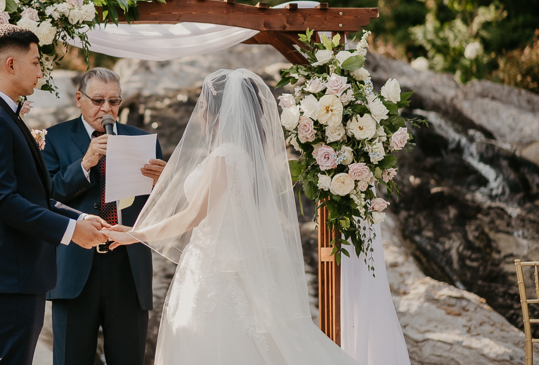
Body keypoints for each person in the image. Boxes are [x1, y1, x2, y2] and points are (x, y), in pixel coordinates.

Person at [104, 69, 361, 365]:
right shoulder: (240, 155)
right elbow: (219, 202)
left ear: (217, 113)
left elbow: (191, 217)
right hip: (224, 265)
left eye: (203, 107)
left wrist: (134, 234)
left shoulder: (224, 156)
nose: (199, 113)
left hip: (214, 272)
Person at [0, 25, 109, 365]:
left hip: (19, 273)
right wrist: (71, 232)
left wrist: (80, 218)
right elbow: (3, 201)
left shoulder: (0, 114)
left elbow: (32, 196)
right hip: (10, 272)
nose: (41, 72)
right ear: (11, 64)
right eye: (36, 62)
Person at [43, 68, 166, 365]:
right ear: (78, 99)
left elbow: (161, 207)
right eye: (98, 100)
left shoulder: (142, 140)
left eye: (114, 101)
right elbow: (44, 196)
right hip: (74, 265)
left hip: (128, 267)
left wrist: (162, 184)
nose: (106, 109)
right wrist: (85, 163)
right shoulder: (54, 137)